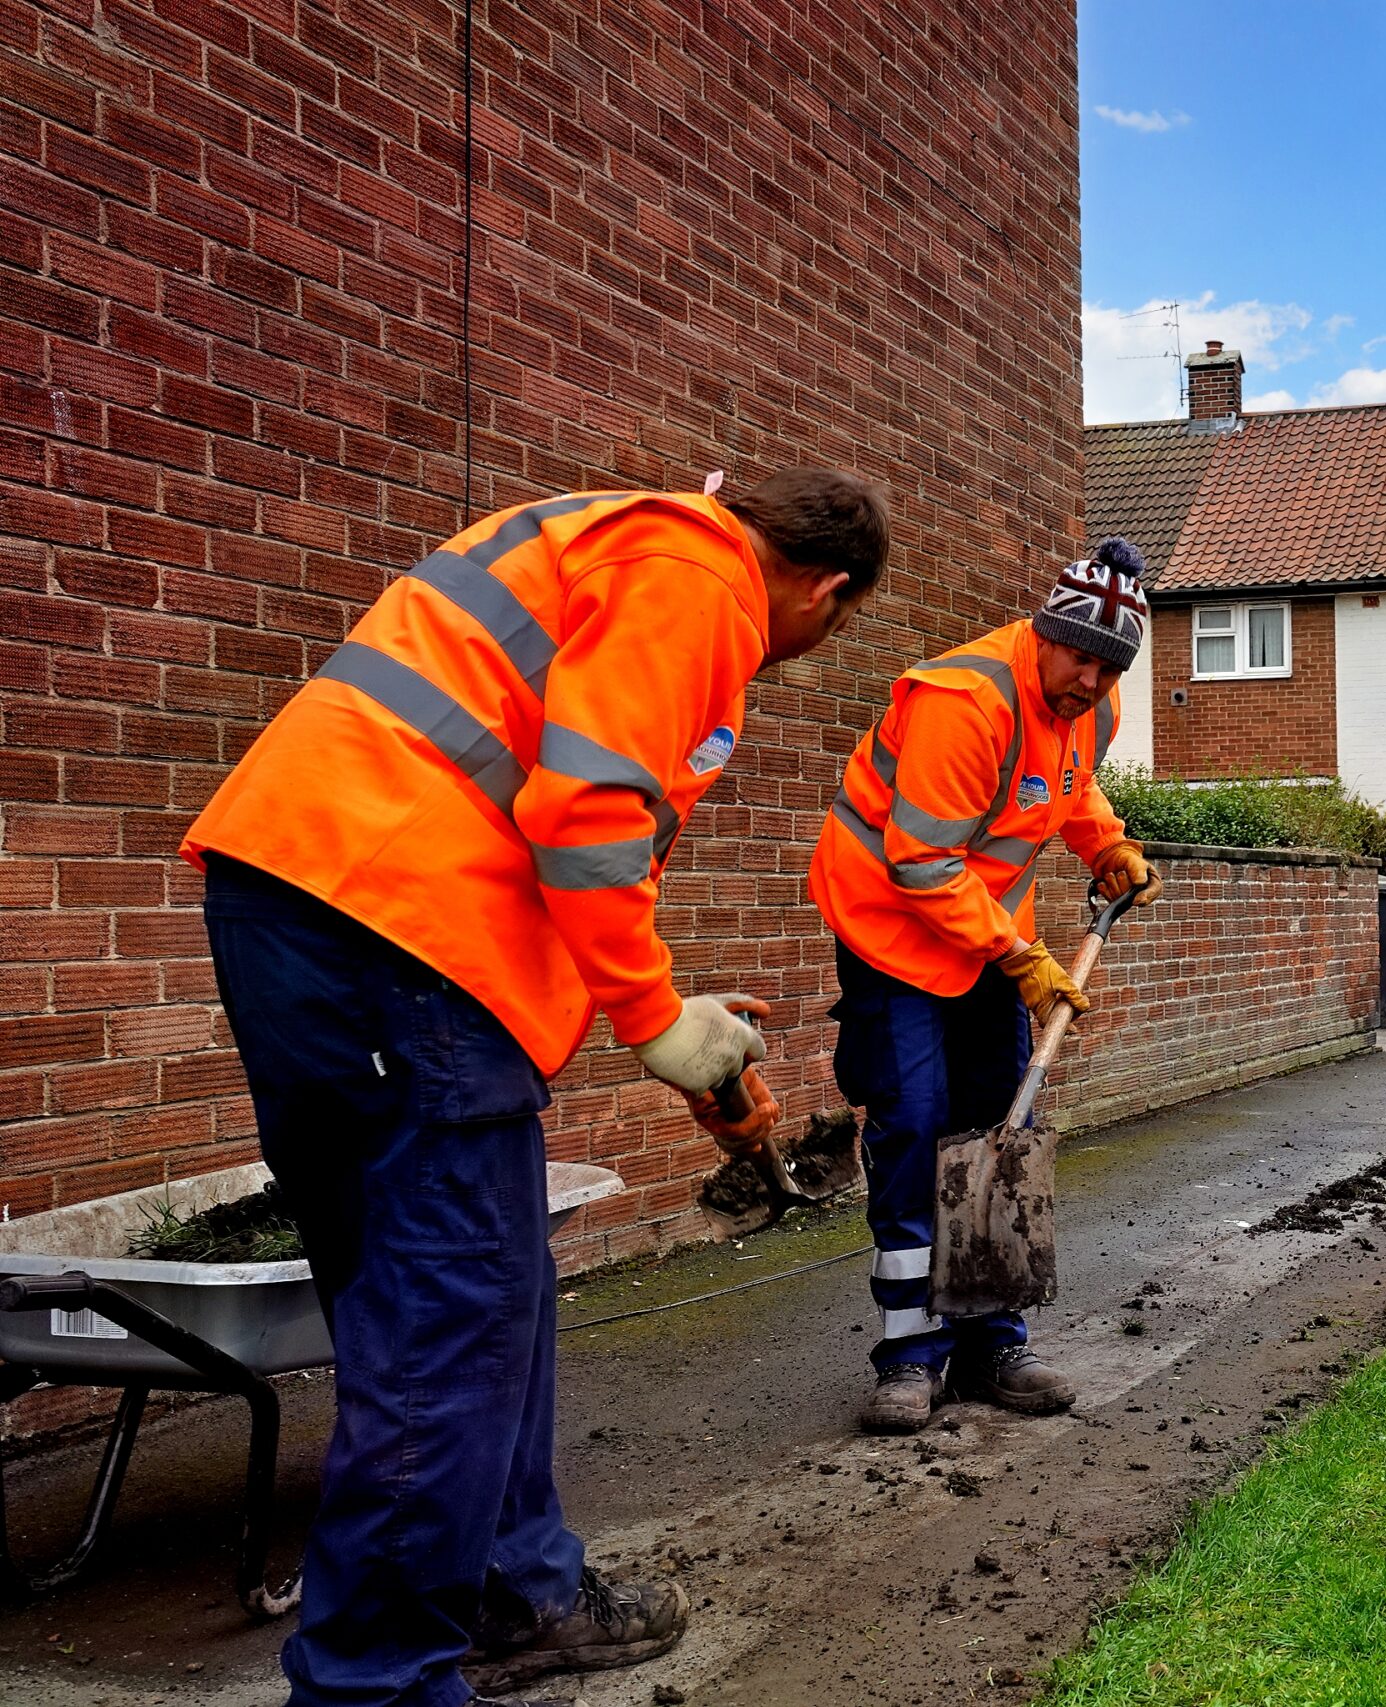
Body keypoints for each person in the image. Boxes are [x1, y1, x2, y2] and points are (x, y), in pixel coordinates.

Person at [182, 469, 890, 1706]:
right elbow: (589, 813)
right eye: (833, 628)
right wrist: (658, 1019)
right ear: (827, 591)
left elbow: (547, 829)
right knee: (451, 1329)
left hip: (309, 897)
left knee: (452, 1306)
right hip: (403, 942)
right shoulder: (700, 575)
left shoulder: (596, 542)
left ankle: (520, 1593)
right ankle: (380, 1688)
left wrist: (685, 1039)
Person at [810, 536, 1163, 1435]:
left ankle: (993, 1336)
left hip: (983, 936)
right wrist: (1019, 957)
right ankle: (911, 1355)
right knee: (917, 1121)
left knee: (1004, 1123)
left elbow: (1068, 790)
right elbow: (921, 861)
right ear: (1045, 633)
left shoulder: (1094, 707)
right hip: (892, 928)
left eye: (1108, 667)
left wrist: (1106, 842)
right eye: (1080, 657)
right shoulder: (963, 702)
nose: (1090, 681)